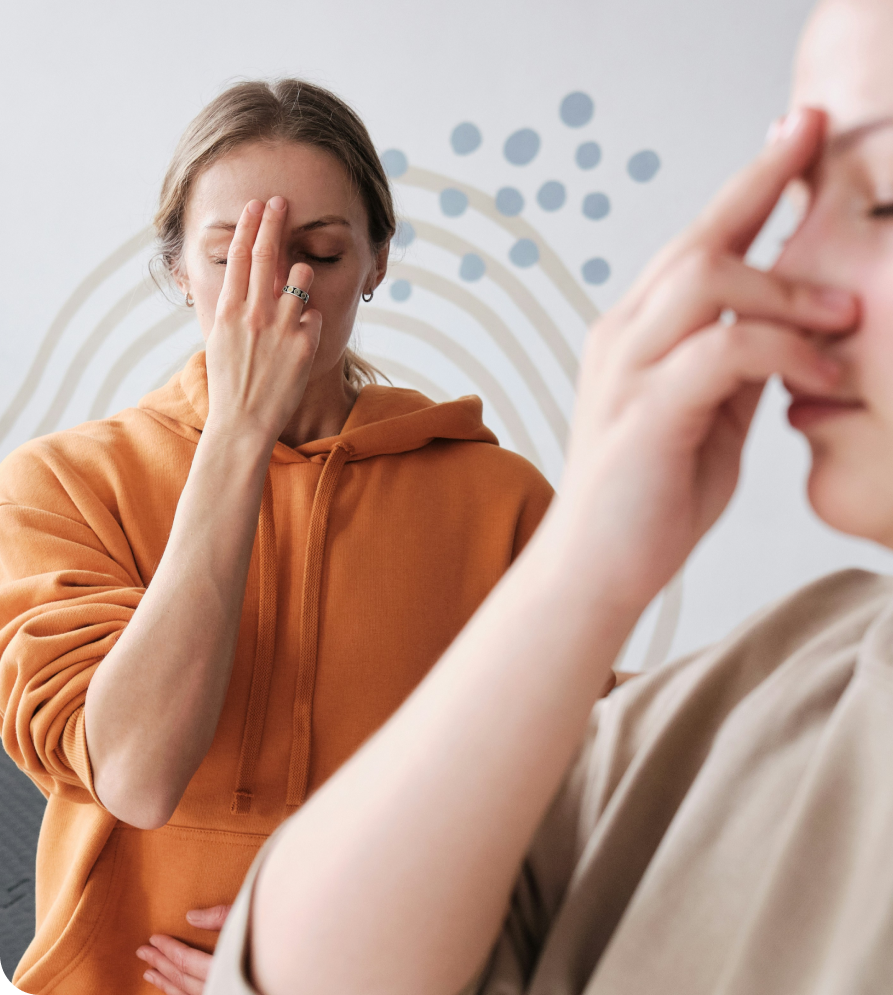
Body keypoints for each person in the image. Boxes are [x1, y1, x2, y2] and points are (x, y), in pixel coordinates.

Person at [199, 0, 893, 993]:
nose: (786, 270)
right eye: (797, 199)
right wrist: (588, 564)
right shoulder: (772, 680)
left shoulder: (492, 492)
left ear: (376, 259)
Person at [0, 79, 553, 995]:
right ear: (179, 269)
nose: (281, 290)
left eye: (320, 253)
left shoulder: (500, 503)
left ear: (375, 262)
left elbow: (563, 804)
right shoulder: (59, 487)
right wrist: (238, 435)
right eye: (233, 255)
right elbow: (134, 775)